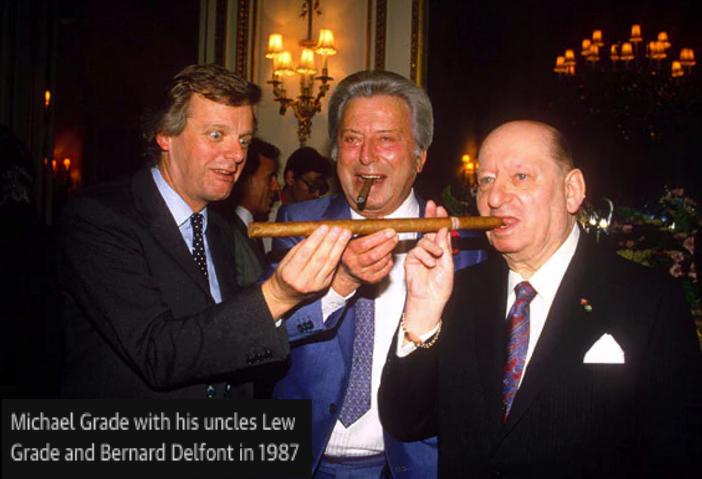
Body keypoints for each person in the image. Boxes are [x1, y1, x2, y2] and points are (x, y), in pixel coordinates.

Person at [379, 120, 702, 476]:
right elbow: (406, 422)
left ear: (572, 191)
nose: (494, 198)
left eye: (520, 177)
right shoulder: (455, 292)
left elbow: (677, 453)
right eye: (486, 180)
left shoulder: (650, 301)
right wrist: (422, 313)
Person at [55, 63, 351, 399]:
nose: (237, 154)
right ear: (165, 134)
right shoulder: (98, 218)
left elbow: (224, 339)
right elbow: (158, 354)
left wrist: (339, 283)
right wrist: (277, 294)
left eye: (243, 140)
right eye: (216, 135)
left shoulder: (218, 228)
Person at [264, 70, 487, 477]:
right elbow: (266, 336)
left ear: (420, 156)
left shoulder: (464, 245)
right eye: (352, 139)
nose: (366, 156)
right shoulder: (298, 224)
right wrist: (337, 284)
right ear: (336, 152)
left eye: (386, 139)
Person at [211, 137, 281, 267]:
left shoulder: (251, 229)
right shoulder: (226, 233)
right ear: (246, 178)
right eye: (269, 178)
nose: (276, 186)